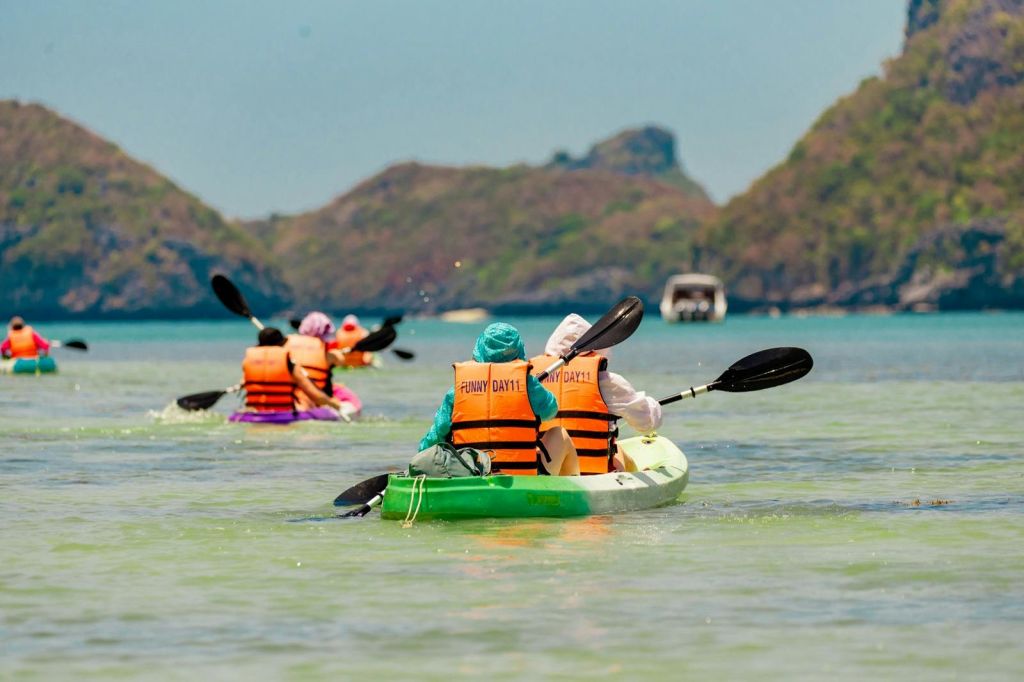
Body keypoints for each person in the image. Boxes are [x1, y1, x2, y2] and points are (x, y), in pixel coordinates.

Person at [418, 322, 563, 476]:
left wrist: (420, 458)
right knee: (560, 434)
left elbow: (437, 434)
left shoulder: (457, 390)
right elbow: (551, 410)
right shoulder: (528, 384)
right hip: (521, 475)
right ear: (518, 349)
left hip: (471, 476)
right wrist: (529, 387)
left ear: (480, 346)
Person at [530, 314, 662, 475]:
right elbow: (648, 422)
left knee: (618, 450)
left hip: (548, 465)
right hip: (592, 473)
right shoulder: (607, 381)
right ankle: (638, 475)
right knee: (617, 452)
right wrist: (651, 404)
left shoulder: (532, 380)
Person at [241, 327, 342, 414]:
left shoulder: (248, 360)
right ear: (283, 343)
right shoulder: (288, 363)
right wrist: (333, 404)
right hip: (283, 414)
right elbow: (314, 394)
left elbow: (245, 384)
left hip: (253, 413)